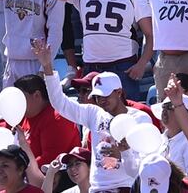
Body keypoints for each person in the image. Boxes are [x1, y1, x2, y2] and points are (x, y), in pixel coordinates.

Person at [35, 0, 153, 99]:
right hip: (91, 68)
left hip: (122, 67)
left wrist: (142, 63)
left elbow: (150, 35)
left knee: (126, 116)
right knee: (92, 117)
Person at [34, 41, 149, 192]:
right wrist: (48, 67)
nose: (101, 100)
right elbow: (59, 103)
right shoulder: (94, 113)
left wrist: (123, 154)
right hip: (96, 189)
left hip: (127, 187)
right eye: (98, 96)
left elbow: (143, 169)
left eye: (106, 95)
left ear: (119, 92)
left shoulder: (140, 118)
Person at [15, 75, 81, 168]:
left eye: (20, 98)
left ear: (37, 95)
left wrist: (20, 171)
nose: (17, 103)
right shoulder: (25, 116)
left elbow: (50, 160)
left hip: (56, 177)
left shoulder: (57, 118)